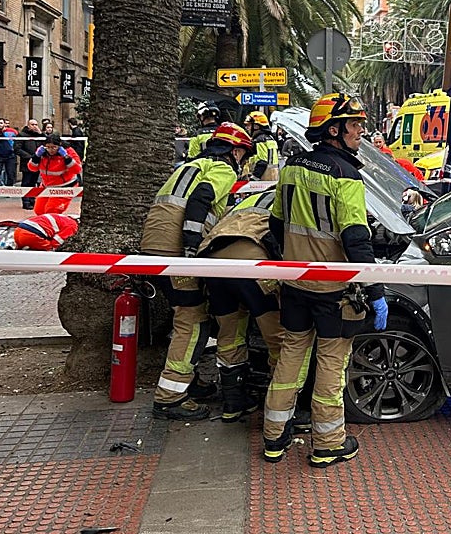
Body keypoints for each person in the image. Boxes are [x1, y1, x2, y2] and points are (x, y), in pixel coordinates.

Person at [262, 92, 388, 466]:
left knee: (291, 356)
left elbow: (276, 224)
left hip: (294, 284)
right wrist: (375, 290)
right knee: (331, 364)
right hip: (333, 291)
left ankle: (274, 437)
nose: (361, 131)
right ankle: (328, 443)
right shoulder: (346, 176)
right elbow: (356, 239)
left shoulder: (292, 166)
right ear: (333, 130)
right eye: (354, 125)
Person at [141, 122, 253, 420]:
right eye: (244, 155)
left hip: (153, 246)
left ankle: (189, 383)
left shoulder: (188, 167)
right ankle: (170, 397)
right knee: (192, 322)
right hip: (176, 250)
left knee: (185, 313)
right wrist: (192, 248)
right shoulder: (223, 169)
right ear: (236, 151)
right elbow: (202, 198)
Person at [196, 189, 294, 424]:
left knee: (229, 334)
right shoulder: (291, 199)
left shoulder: (251, 198)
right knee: (278, 338)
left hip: (213, 262)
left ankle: (233, 402)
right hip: (253, 263)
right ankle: (281, 408)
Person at [29, 134, 82, 214]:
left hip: (64, 187)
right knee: (39, 211)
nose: (51, 150)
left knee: (52, 210)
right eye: (48, 147)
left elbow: (77, 170)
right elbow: (32, 168)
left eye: (54, 147)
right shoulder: (42, 153)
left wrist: (66, 157)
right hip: (46, 186)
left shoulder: (69, 151)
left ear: (59, 145)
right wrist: (36, 157)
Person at [12, 213, 80, 251]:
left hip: (18, 231)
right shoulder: (73, 225)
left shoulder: (62, 218)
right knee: (49, 251)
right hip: (32, 235)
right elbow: (57, 241)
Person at [17, 119, 45, 209]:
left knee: (33, 182)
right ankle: (26, 201)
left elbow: (46, 143)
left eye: (36, 124)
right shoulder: (22, 135)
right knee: (26, 182)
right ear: (28, 125)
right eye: (32, 124)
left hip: (37, 163)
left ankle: (32, 200)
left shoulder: (39, 136)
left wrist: (41, 134)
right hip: (27, 163)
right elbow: (17, 149)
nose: (35, 126)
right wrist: (29, 156)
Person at [244, 111, 280, 181]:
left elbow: (262, 162)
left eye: (248, 125)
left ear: (256, 126)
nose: (247, 128)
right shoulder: (270, 138)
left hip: (262, 178)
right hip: (273, 176)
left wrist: (254, 178)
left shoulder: (260, 140)